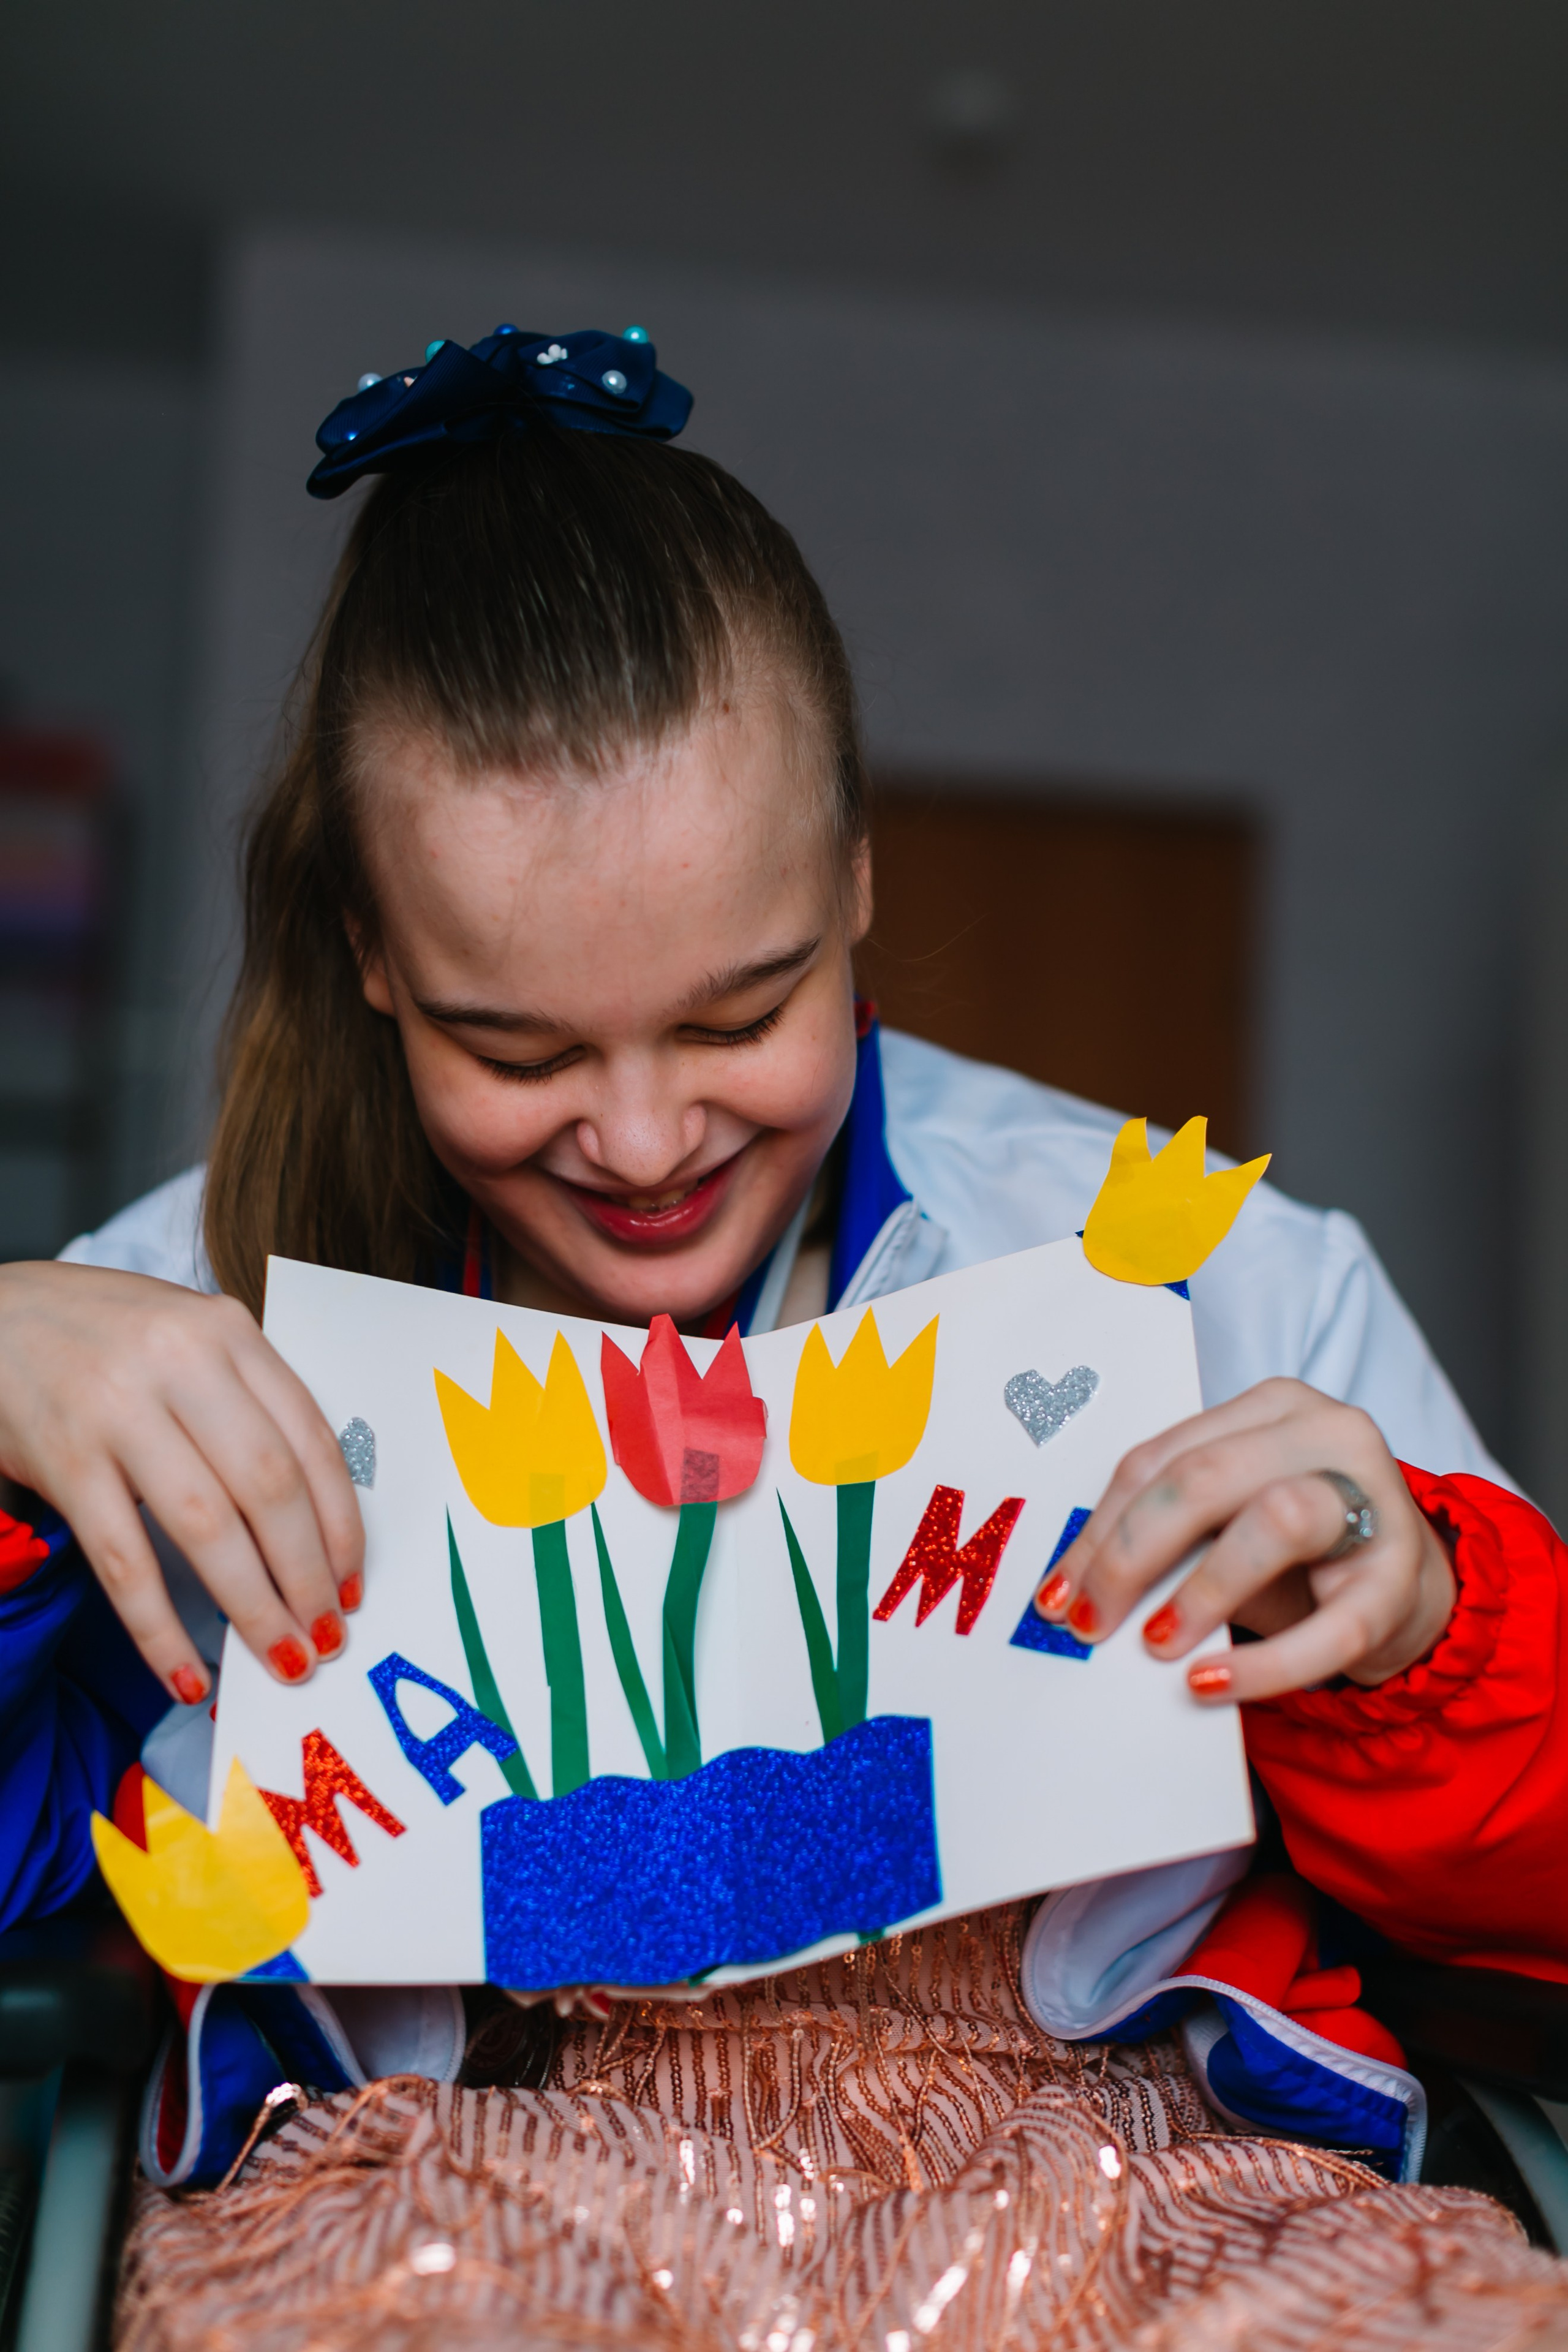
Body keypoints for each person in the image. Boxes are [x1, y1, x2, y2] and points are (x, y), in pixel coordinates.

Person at [6, 327, 1568, 2349]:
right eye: (519, 1048)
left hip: (1139, 2195)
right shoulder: (179, 1316)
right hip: (454, 2194)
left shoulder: (1205, 1272)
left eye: (740, 1017)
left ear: (852, 886)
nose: (647, 1142)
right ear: (378, 962)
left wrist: (1420, 1618)